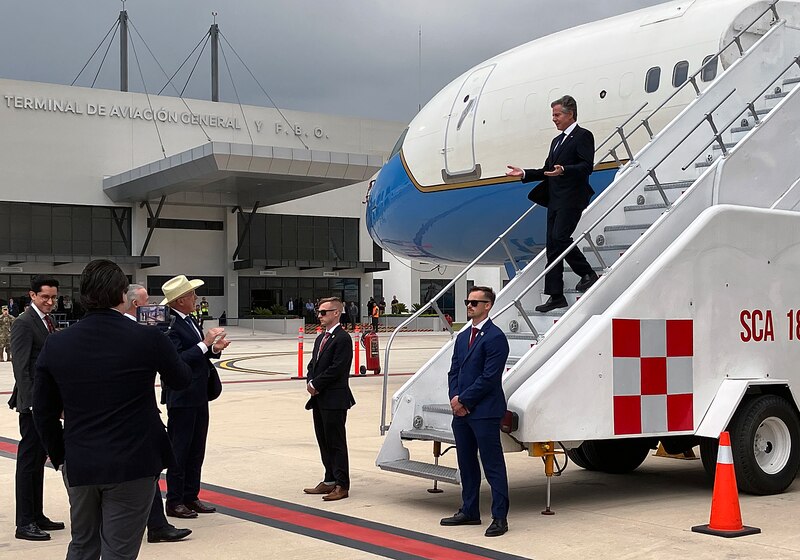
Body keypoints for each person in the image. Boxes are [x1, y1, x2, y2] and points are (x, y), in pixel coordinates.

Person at [32, 260, 192, 559]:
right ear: (122, 295)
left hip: (81, 460)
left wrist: (62, 456)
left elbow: (43, 411)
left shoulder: (57, 343)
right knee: (119, 550)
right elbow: (181, 379)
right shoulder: (148, 337)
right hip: (133, 462)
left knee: (82, 545)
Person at [506, 95, 598, 313]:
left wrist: (565, 170)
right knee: (553, 247)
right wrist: (524, 173)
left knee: (560, 238)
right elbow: (547, 170)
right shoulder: (556, 142)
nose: (554, 120)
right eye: (553, 115)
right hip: (555, 199)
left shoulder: (583, 136)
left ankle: (587, 273)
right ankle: (555, 295)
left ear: (570, 114)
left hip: (572, 198)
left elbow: (587, 166)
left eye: (557, 115)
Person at [122, 284, 192, 544]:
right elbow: (178, 374)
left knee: (148, 470)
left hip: (135, 411)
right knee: (146, 469)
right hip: (135, 414)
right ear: (136, 306)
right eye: (146, 301)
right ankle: (154, 524)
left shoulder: (143, 331)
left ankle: (156, 524)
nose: (153, 306)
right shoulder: (140, 334)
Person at [440, 286, 510, 537]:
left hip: (484, 411)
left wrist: (464, 400)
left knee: (493, 465)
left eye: (474, 302)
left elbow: (489, 377)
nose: (469, 306)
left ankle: (500, 517)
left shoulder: (495, 337)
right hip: (461, 412)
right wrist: (454, 398)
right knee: (466, 463)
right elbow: (454, 371)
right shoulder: (462, 336)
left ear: (487, 305)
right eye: (467, 301)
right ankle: (469, 510)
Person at [160, 275, 231, 520]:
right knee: (180, 450)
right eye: (191, 295)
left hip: (198, 393)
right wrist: (205, 344)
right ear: (180, 301)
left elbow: (198, 353)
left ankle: (191, 495)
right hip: (182, 396)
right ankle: (175, 500)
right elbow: (176, 359)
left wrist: (213, 349)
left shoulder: (188, 319)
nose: (196, 298)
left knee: (196, 449)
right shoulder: (169, 325)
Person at [9, 275, 63, 541]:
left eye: (53, 297)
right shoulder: (24, 323)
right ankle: (24, 522)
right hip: (32, 406)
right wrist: (30, 404)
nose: (50, 302)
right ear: (32, 296)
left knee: (39, 461)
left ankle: (37, 515)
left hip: (46, 402)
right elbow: (21, 367)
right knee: (29, 462)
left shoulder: (47, 321)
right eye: (45, 297)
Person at [303, 297, 354, 501]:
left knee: (336, 442)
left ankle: (342, 484)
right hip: (320, 399)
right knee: (323, 440)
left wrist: (316, 384)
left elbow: (338, 368)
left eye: (324, 312)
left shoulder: (343, 339)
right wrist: (310, 380)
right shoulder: (321, 338)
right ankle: (330, 479)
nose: (319, 316)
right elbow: (312, 364)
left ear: (336, 313)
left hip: (334, 399)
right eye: (319, 312)